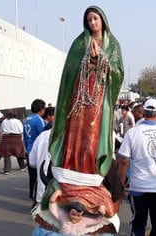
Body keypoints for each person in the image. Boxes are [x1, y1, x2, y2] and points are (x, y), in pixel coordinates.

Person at [32, 6, 124, 235]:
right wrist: (86, 60)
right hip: (79, 99)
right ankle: (73, 164)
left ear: (103, 20)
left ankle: (90, 168)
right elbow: (69, 73)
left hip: (99, 99)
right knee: (77, 132)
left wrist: (101, 60)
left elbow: (118, 74)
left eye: (96, 18)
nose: (93, 23)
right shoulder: (78, 43)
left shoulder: (113, 45)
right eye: (89, 19)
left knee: (93, 135)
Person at [118, 99, 156, 236]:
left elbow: (123, 161)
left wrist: (121, 184)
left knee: (138, 225)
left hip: (138, 188)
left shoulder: (133, 133)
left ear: (143, 112)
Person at [23, 99, 46, 206]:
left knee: (31, 174)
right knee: (39, 174)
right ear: (41, 109)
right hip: (36, 151)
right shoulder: (38, 119)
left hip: (28, 149)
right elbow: (43, 134)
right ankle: (37, 197)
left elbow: (24, 136)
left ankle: (31, 193)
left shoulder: (27, 119)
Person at [0, 110, 27, 175]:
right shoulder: (18, 121)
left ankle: (7, 170)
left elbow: (1, 130)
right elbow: (21, 130)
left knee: (7, 154)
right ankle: (22, 166)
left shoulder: (4, 121)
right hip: (16, 138)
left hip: (7, 138)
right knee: (18, 152)